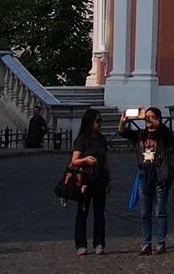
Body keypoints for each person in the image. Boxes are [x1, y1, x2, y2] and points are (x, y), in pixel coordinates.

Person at [121, 106, 174, 256]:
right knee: (144, 213)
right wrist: (123, 121)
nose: (147, 120)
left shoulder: (163, 135)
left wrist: (146, 117)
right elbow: (123, 132)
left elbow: (163, 129)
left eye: (151, 117)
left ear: (158, 119)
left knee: (160, 211)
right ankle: (146, 243)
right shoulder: (141, 135)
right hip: (144, 175)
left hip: (160, 176)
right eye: (146, 117)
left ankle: (161, 243)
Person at [70, 107, 110, 257]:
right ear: (90, 122)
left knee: (100, 213)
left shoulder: (102, 139)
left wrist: (109, 179)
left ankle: (99, 243)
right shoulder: (81, 140)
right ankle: (81, 244)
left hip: (100, 179)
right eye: (97, 121)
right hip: (85, 180)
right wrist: (86, 159)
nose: (100, 124)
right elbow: (74, 162)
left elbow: (106, 161)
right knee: (83, 212)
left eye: (101, 121)